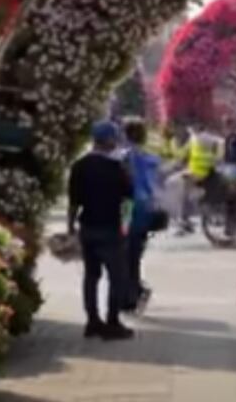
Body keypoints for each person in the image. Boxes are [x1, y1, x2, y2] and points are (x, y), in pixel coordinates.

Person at [67, 121, 135, 340]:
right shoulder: (118, 168)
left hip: (88, 228)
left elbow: (73, 202)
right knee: (117, 277)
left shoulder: (79, 166)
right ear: (111, 140)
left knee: (91, 276)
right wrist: (125, 228)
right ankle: (113, 323)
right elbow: (128, 202)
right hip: (112, 230)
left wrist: (70, 227)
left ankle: (93, 321)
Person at [120, 118, 165, 316]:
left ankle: (134, 293)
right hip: (147, 209)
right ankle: (134, 292)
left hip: (128, 208)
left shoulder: (125, 157)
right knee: (134, 253)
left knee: (125, 252)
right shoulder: (151, 158)